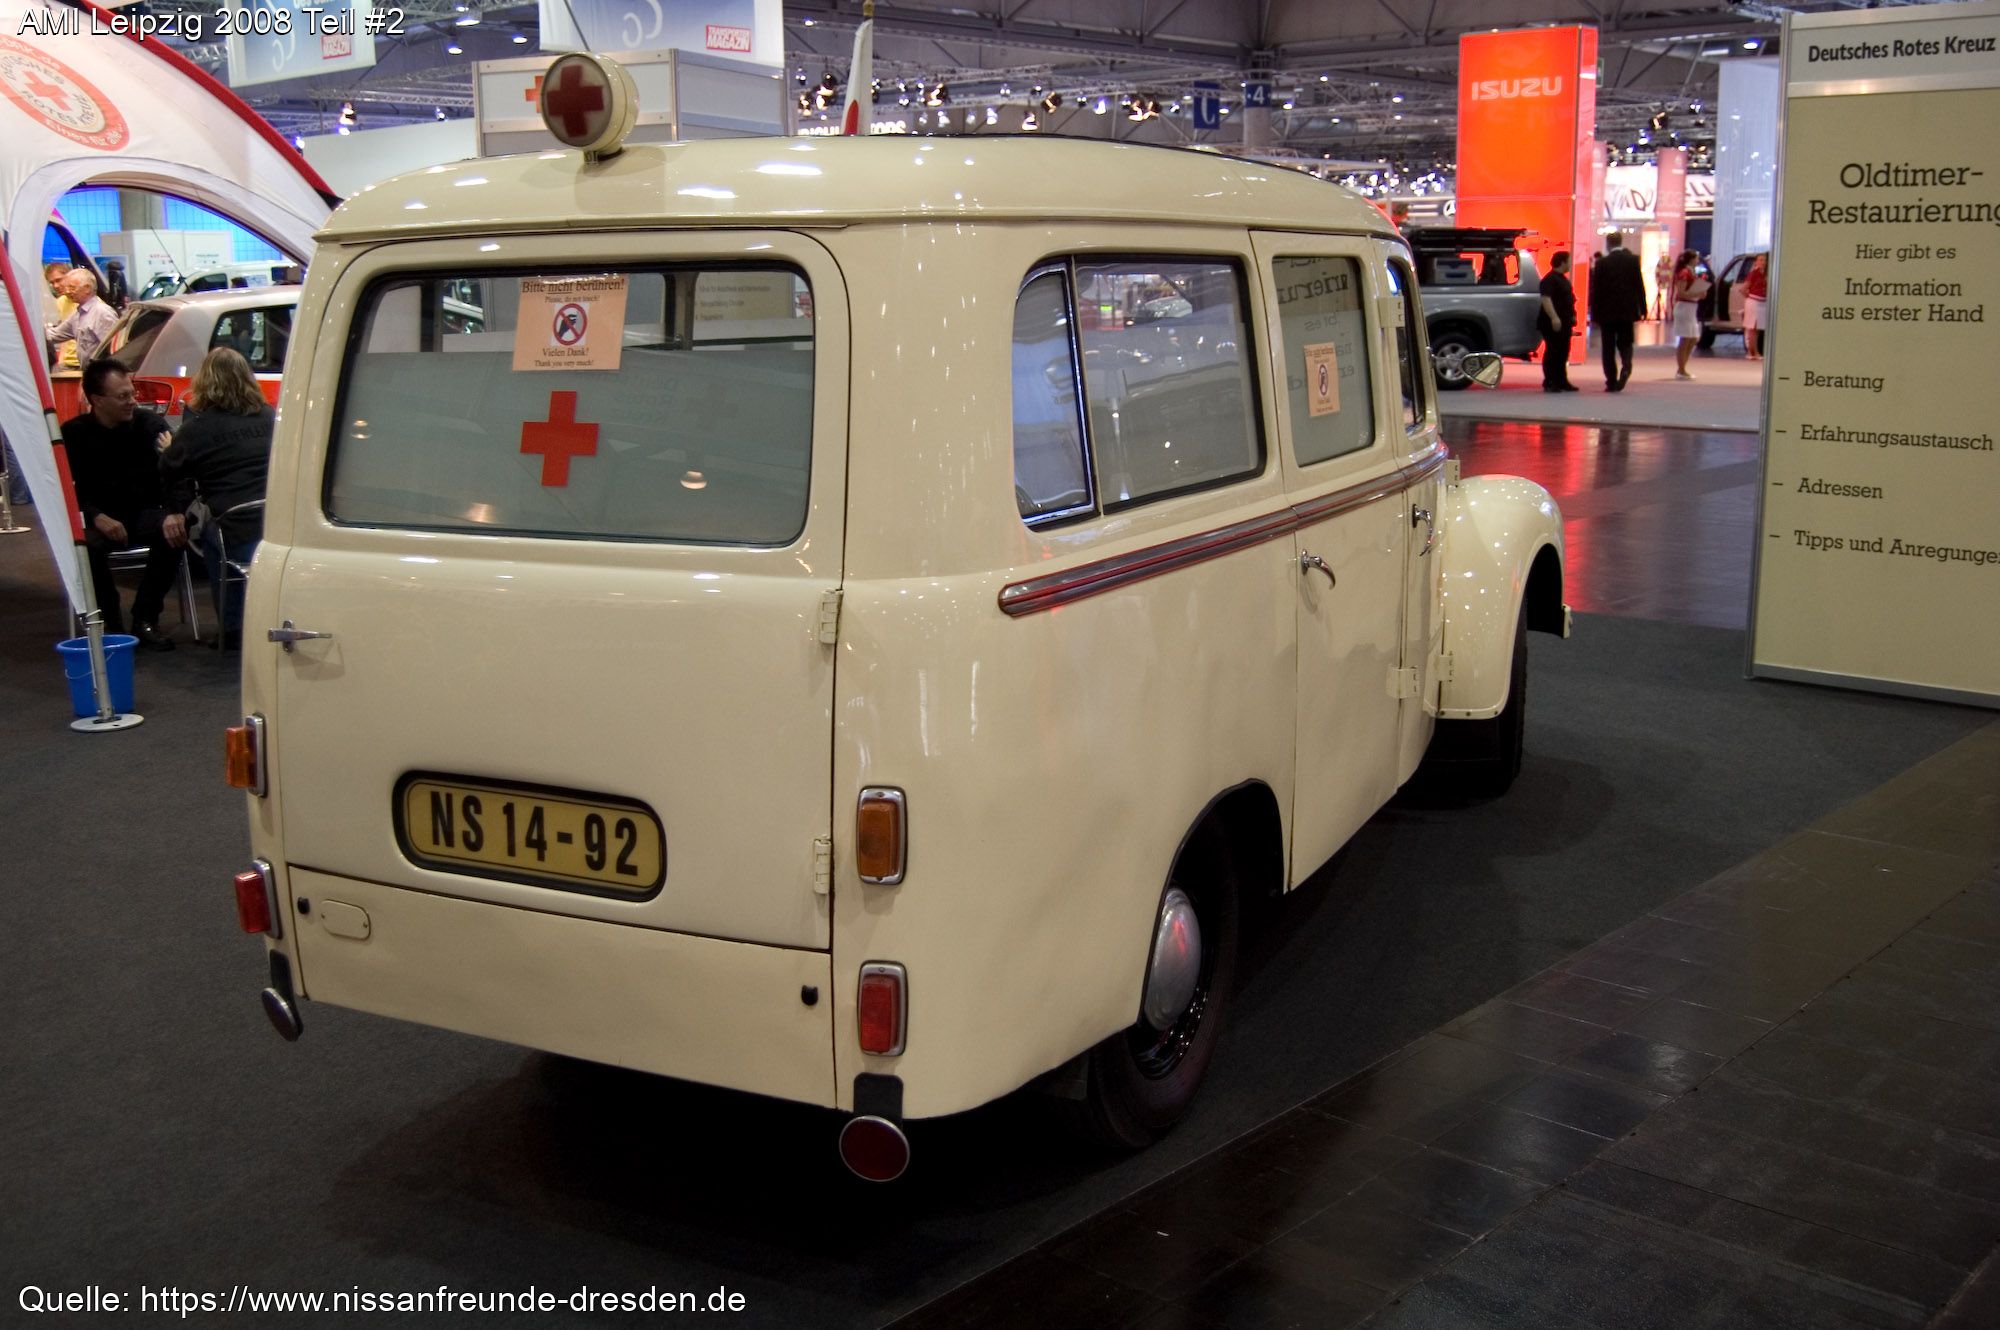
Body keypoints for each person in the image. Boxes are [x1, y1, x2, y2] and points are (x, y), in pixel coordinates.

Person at [63, 358, 183, 648]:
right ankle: (111, 624)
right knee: (86, 547)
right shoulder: (74, 434)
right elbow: (65, 489)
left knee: (175, 532)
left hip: (144, 512)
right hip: (100, 517)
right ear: (97, 400)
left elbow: (177, 472)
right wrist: (95, 515)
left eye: (132, 393)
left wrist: (173, 511)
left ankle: (145, 618)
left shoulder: (150, 425)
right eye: (122, 396)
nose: (132, 401)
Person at [160, 348, 273, 644]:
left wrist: (169, 447)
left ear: (205, 382)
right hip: (276, 525)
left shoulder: (196, 429)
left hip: (236, 529)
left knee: (211, 534)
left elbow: (169, 468)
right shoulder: (270, 417)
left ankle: (232, 628)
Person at [1590, 234, 1647, 392]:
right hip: (1627, 310)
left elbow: (1597, 290)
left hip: (1607, 312)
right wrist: (1643, 308)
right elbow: (1639, 285)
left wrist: (1594, 313)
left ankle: (1611, 380)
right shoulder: (1633, 260)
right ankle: (1627, 365)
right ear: (1621, 242)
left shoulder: (1601, 263)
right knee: (1626, 341)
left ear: (1608, 244)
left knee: (1608, 347)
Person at [45, 267, 118, 368]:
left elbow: (115, 349)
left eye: (72, 288)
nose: (67, 291)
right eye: (67, 288)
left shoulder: (101, 312)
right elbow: (54, 335)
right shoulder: (78, 314)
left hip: (102, 372)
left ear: (87, 288)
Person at [1537, 249, 1577, 393]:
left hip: (1564, 322)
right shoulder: (1549, 280)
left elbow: (1569, 299)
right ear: (1562, 262)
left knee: (1563, 351)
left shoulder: (1563, 280)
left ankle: (1561, 380)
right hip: (1552, 322)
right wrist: (1554, 317)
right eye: (1569, 261)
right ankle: (1550, 381)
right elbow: (1546, 299)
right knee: (1553, 351)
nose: (1570, 264)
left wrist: (1572, 315)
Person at [1670, 250, 1705, 380]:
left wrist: (1700, 292)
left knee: (1693, 338)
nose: (1698, 261)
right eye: (1696, 258)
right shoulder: (1684, 273)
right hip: (1684, 307)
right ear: (1691, 259)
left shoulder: (1691, 272)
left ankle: (1683, 367)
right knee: (1685, 339)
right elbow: (1682, 293)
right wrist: (1697, 293)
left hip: (1691, 308)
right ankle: (1681, 369)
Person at [1740, 252, 1769, 360]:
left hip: (1762, 302)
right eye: (1760, 260)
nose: (1763, 262)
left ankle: (1753, 351)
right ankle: (1753, 352)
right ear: (1756, 262)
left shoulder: (1765, 274)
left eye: (1764, 260)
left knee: (1757, 329)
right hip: (1754, 302)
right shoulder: (1753, 273)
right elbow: (1743, 289)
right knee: (1752, 328)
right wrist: (1749, 297)